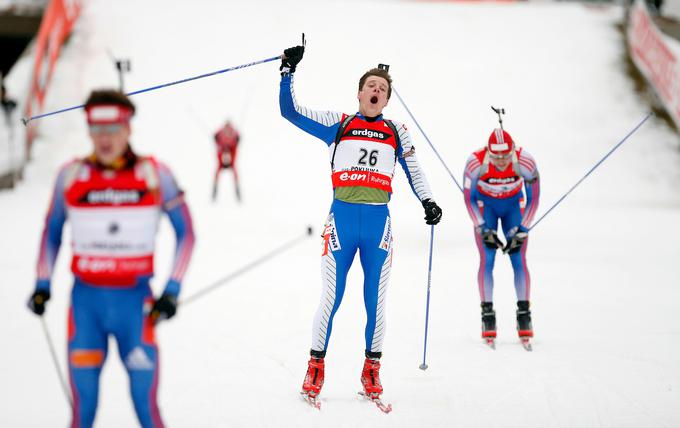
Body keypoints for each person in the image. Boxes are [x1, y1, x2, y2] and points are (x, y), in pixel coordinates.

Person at [279, 45, 443, 403]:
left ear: (386, 100)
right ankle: (315, 367)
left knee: (375, 300)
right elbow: (289, 111)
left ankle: (372, 370)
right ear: (359, 93)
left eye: (382, 89)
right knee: (331, 298)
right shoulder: (338, 124)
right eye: (371, 86)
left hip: (377, 225)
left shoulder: (396, 131)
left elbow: (414, 169)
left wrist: (428, 200)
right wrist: (287, 70)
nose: (376, 91)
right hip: (341, 221)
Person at [27, 89, 195, 428]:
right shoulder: (70, 176)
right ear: (88, 130)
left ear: (129, 128)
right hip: (86, 306)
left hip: (136, 306)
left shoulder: (155, 175)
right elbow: (52, 232)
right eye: (97, 130)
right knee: (83, 409)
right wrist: (43, 284)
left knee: (146, 406)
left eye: (114, 129)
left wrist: (172, 290)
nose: (105, 139)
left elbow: (187, 234)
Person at [463, 128, 540, 344]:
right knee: (487, 259)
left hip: (513, 208)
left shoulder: (525, 161)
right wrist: (482, 228)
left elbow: (534, 198)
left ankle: (524, 314)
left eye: (505, 156)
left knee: (519, 258)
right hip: (485, 207)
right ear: (488, 152)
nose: (501, 162)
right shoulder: (475, 163)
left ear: (513, 151)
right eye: (496, 157)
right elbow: (468, 199)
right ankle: (487, 315)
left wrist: (523, 231)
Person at [212, 120, 241, 202]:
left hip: (230, 157)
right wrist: (215, 137)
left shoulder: (233, 154)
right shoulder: (220, 154)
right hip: (223, 155)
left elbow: (237, 137)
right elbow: (216, 136)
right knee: (216, 176)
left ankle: (238, 194)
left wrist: (238, 139)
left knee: (235, 176)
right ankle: (214, 194)